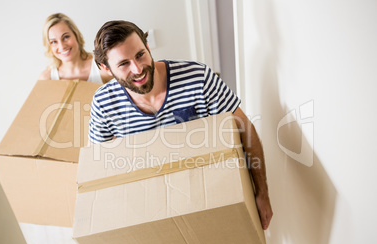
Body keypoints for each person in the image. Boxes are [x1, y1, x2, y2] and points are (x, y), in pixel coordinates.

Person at [89, 20, 273, 230]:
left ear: (148, 47)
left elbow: (245, 131)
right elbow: (99, 166)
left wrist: (262, 193)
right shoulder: (103, 103)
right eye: (123, 64)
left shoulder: (198, 78)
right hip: (153, 211)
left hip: (213, 196)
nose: (138, 69)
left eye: (140, 54)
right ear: (105, 68)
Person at [39, 13, 112, 83]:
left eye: (66, 37)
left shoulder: (102, 68)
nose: (62, 46)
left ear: (76, 35)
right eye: (54, 42)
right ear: (49, 46)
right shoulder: (47, 79)